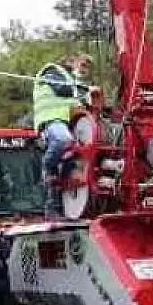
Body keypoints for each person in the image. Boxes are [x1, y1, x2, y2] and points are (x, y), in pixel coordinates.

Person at [32, 53, 93, 217]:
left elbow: (79, 100)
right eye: (82, 64)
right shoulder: (52, 71)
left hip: (67, 123)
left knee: (68, 161)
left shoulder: (72, 81)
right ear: (70, 61)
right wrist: (82, 86)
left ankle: (54, 207)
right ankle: (48, 166)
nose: (84, 68)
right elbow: (63, 89)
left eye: (87, 66)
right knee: (63, 140)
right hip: (51, 121)